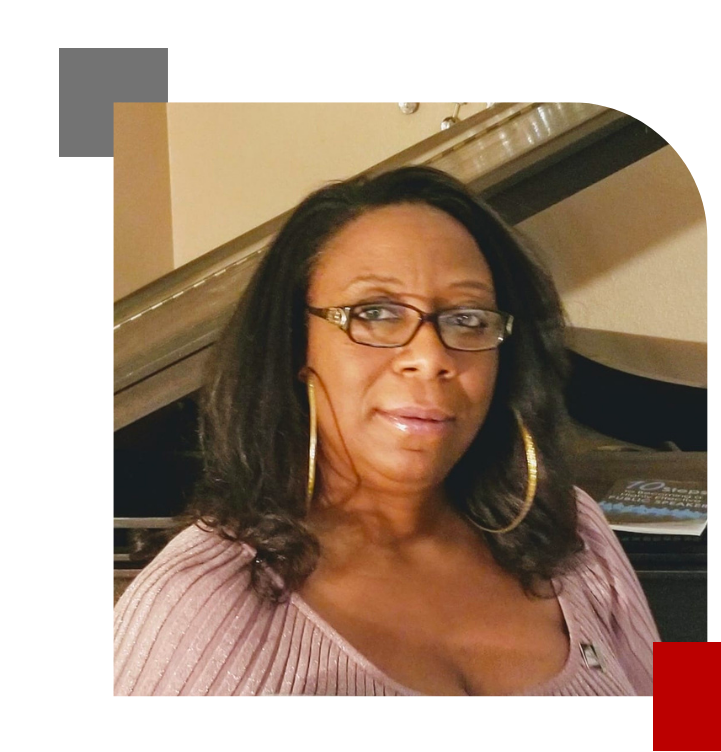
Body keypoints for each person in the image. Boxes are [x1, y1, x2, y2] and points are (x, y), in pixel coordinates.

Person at [113, 165, 659, 697]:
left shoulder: (575, 528)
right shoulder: (195, 606)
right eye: (374, 313)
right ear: (296, 345)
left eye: (468, 318)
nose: (430, 357)